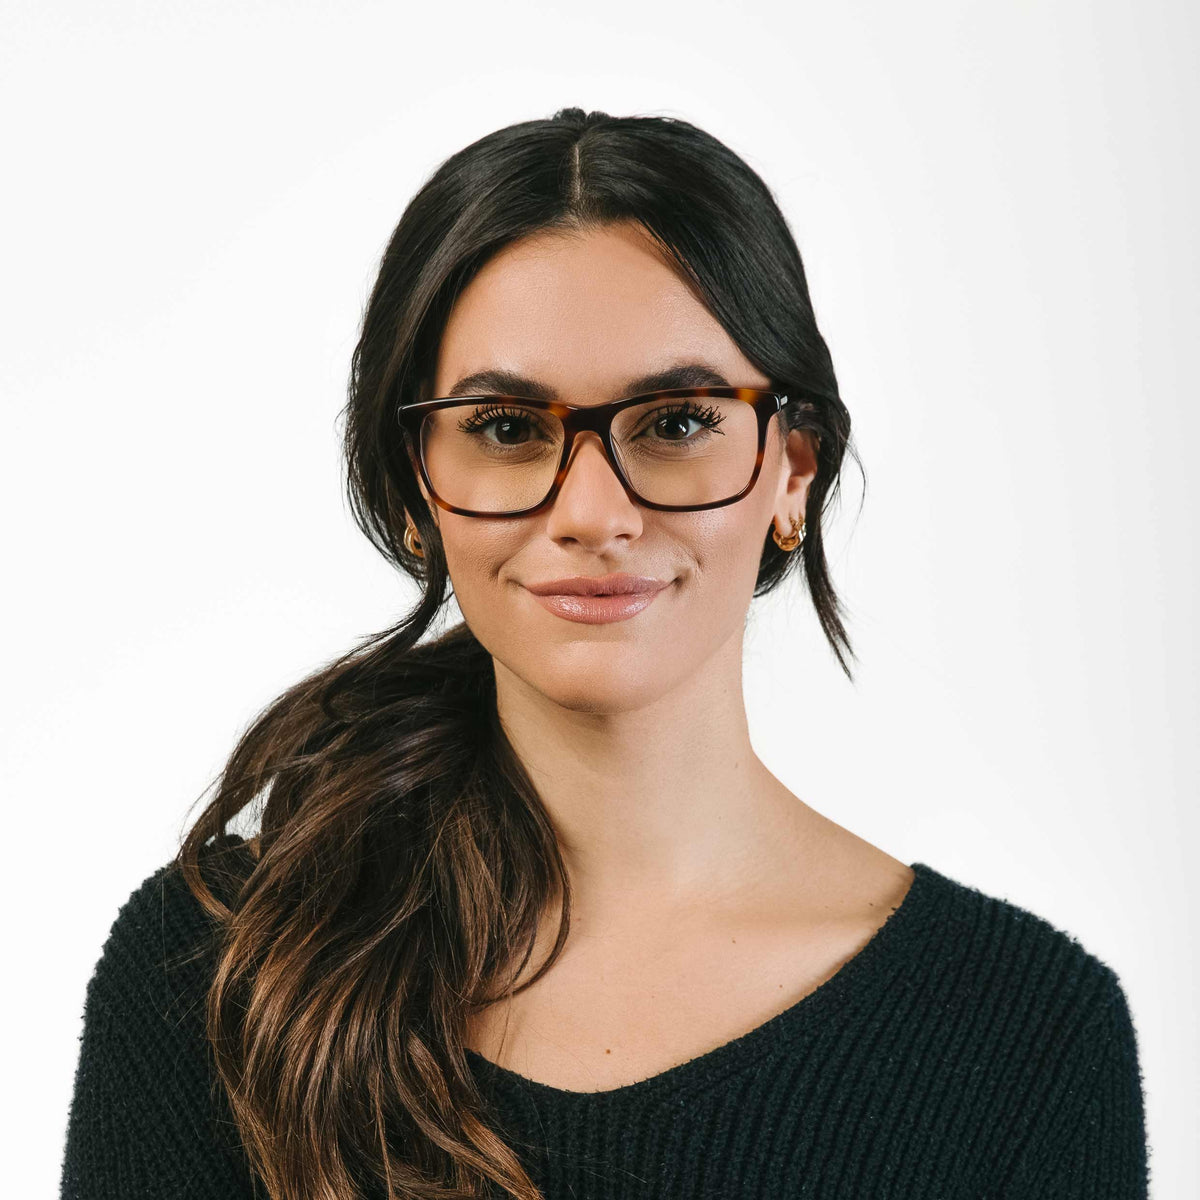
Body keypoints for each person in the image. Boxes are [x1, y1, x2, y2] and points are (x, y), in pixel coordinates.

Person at [60, 107, 1150, 1200]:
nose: (593, 511)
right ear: (413, 488)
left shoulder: (1028, 1037)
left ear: (794, 471)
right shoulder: (214, 970)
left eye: (675, 422)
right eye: (504, 428)